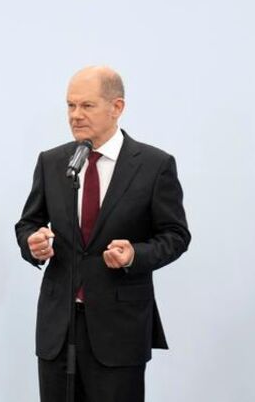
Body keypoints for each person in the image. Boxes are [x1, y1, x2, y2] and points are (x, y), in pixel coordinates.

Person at [15, 66, 191, 402]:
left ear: (117, 107)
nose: (75, 115)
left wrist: (135, 255)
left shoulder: (154, 165)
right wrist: (32, 243)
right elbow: (28, 223)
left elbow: (176, 235)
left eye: (87, 106)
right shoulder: (53, 162)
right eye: (70, 105)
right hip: (59, 327)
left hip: (119, 330)